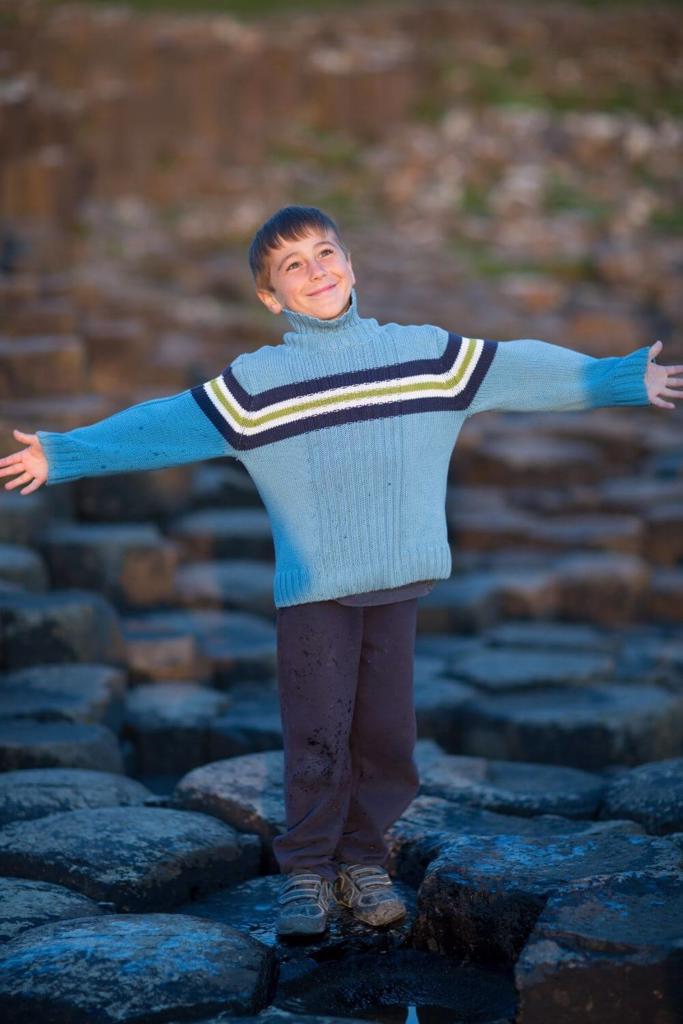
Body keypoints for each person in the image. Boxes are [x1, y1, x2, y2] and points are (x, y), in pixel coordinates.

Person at [2, 205, 682, 938]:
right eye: (293, 265)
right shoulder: (256, 386)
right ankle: (305, 874)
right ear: (271, 297)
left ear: (351, 265)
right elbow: (163, 424)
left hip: (398, 586)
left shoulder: (425, 357)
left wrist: (616, 378)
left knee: (386, 735)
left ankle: (363, 863)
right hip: (317, 596)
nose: (316, 271)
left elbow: (518, 365)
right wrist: (64, 453)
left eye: (325, 253)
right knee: (318, 737)